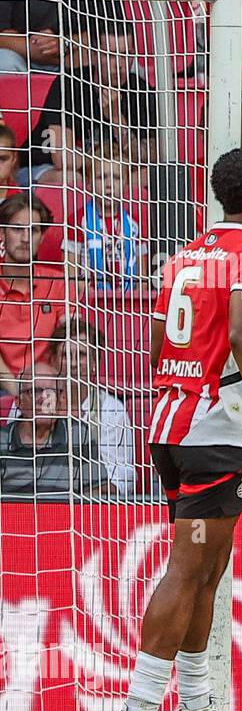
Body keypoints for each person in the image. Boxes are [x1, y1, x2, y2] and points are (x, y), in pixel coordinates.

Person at [112, 147, 242, 711]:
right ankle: (140, 708)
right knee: (190, 567)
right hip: (212, 428)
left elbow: (155, 340)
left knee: (209, 567)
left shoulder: (186, 255)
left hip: (173, 422)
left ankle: (197, 702)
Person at [30, 13, 158, 181]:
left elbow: (151, 158)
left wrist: (116, 118)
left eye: (126, 54)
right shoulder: (69, 83)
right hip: (45, 169)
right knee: (72, 178)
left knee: (151, 176)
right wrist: (107, 167)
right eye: (110, 55)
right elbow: (63, 159)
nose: (119, 64)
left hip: (112, 175)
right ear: (94, 54)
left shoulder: (141, 90)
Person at [0, 361, 110, 499]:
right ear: (18, 402)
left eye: (51, 392)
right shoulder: (2, 441)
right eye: (34, 391)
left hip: (64, 518)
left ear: (62, 400)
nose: (43, 399)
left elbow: (99, 492)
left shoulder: (78, 435)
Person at [49, 316, 134, 496]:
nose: (72, 363)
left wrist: (85, 497)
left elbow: (123, 475)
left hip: (92, 504)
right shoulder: (30, 402)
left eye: (81, 355)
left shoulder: (112, 411)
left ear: (95, 362)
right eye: (65, 355)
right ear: (53, 361)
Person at [0, 195, 66, 393]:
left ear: (42, 237)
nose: (26, 238)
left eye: (34, 230)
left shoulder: (57, 282)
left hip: (49, 387)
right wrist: (19, 393)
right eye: (17, 229)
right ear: (2, 234)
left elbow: (70, 337)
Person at [75, 142, 146, 293]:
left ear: (126, 184)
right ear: (89, 183)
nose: (109, 185)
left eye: (116, 178)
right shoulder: (78, 220)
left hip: (128, 304)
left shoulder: (133, 223)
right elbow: (70, 275)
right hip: (89, 303)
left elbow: (142, 279)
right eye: (101, 177)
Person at [0, 0, 62, 74]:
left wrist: (64, 44)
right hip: (20, 55)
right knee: (6, 61)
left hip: (69, 58)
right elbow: (3, 38)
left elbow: (80, 41)